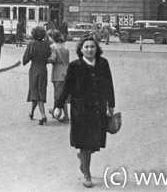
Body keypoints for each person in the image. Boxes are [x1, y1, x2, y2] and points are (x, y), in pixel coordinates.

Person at [54, 34, 116, 188]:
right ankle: (87, 175)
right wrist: (59, 105)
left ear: (97, 48)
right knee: (85, 143)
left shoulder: (103, 63)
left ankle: (83, 158)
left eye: (92, 47)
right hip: (81, 111)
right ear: (81, 49)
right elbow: (66, 87)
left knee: (96, 142)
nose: (89, 49)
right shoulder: (75, 66)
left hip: (98, 108)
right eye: (86, 47)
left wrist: (111, 104)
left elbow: (109, 84)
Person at [22, 25, 52, 124]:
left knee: (35, 91)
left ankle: (43, 116)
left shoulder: (32, 44)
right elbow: (49, 55)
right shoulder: (47, 44)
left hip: (34, 69)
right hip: (43, 69)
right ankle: (31, 112)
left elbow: (26, 58)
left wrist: (26, 60)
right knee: (40, 90)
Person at [48, 30, 71, 123]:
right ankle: (55, 112)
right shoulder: (65, 47)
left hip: (57, 71)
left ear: (52, 38)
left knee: (59, 94)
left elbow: (53, 59)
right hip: (66, 70)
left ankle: (66, 115)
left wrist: (46, 60)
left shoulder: (52, 47)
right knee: (62, 92)